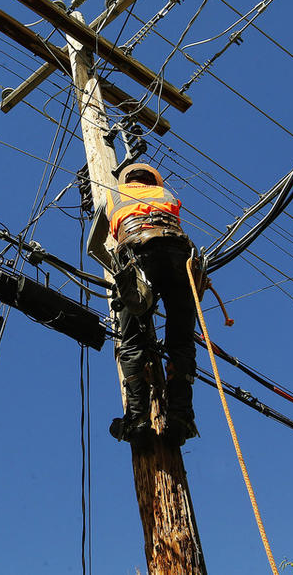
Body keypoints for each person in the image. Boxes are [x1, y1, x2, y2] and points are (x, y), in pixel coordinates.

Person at [105, 163, 199, 444]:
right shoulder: (166, 194)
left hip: (138, 252)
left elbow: (106, 234)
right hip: (180, 256)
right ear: (153, 179)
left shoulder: (114, 193)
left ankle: (138, 419)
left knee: (132, 340)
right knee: (181, 341)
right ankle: (180, 417)